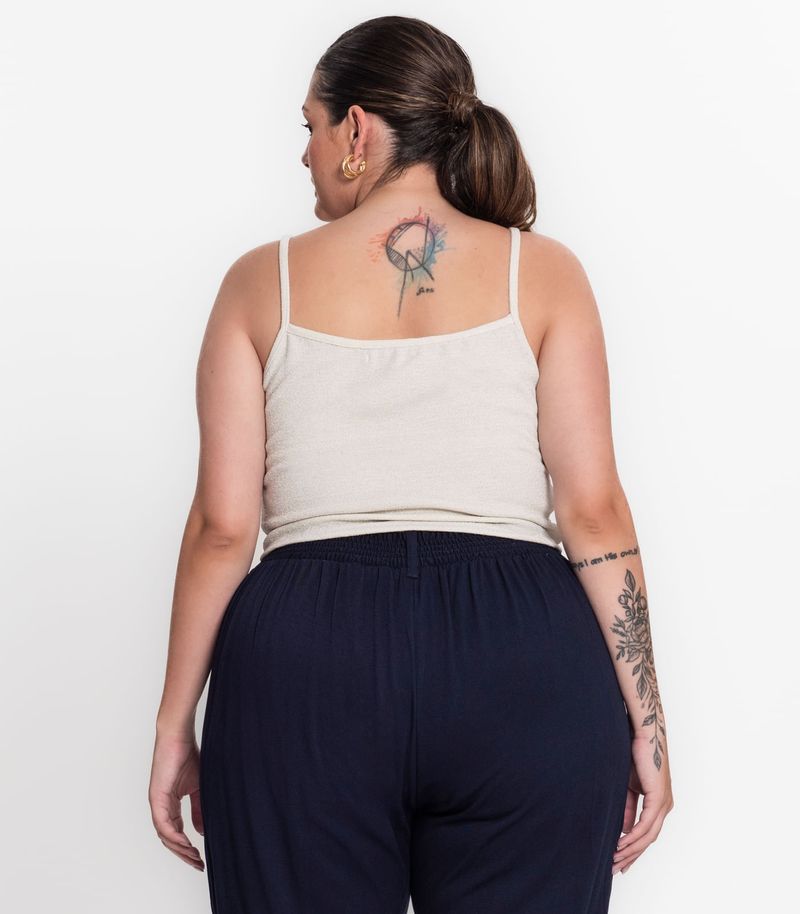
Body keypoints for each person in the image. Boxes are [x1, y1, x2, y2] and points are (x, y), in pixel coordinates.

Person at [148, 14, 674, 914]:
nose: (305, 154)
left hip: (308, 661)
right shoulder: (545, 273)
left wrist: (173, 724)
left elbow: (224, 528)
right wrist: (650, 728)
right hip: (523, 654)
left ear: (356, 129)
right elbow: (593, 512)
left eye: (310, 127)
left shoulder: (260, 282)